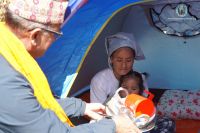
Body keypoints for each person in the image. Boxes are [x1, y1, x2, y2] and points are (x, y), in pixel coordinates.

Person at [0, 0, 141, 133]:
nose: (54, 42)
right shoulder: (7, 79)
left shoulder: (9, 50)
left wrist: (81, 107)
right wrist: (114, 126)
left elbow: (32, 104)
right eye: (56, 35)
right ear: (35, 36)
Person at [90, 32, 176, 133]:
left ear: (133, 60)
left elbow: (145, 105)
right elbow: (98, 115)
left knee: (168, 122)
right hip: (110, 124)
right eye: (119, 60)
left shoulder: (139, 78)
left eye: (128, 60)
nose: (124, 65)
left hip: (136, 121)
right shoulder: (100, 80)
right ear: (111, 59)